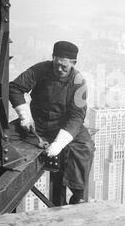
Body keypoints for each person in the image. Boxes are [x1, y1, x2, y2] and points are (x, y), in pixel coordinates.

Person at [9, 41, 94, 205]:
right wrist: (25, 116)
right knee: (3, 135)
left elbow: (77, 117)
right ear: (53, 58)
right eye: (57, 64)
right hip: (38, 123)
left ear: (73, 64)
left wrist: (59, 144)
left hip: (64, 126)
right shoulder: (40, 69)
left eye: (64, 66)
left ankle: (78, 193)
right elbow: (15, 88)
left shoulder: (79, 82)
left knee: (85, 146)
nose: (59, 69)